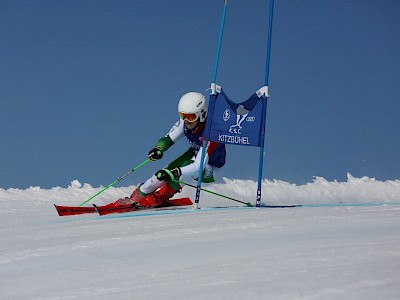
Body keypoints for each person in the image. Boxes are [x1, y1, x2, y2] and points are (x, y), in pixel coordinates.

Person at [114, 91, 226, 208]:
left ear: (202, 114)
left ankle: (161, 196)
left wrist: (175, 173)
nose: (186, 120)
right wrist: (159, 149)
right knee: (161, 175)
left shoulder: (211, 133)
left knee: (182, 170)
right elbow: (168, 139)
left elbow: (198, 166)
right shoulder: (185, 123)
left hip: (211, 169)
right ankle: (135, 198)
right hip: (195, 156)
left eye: (191, 116)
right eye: (183, 115)